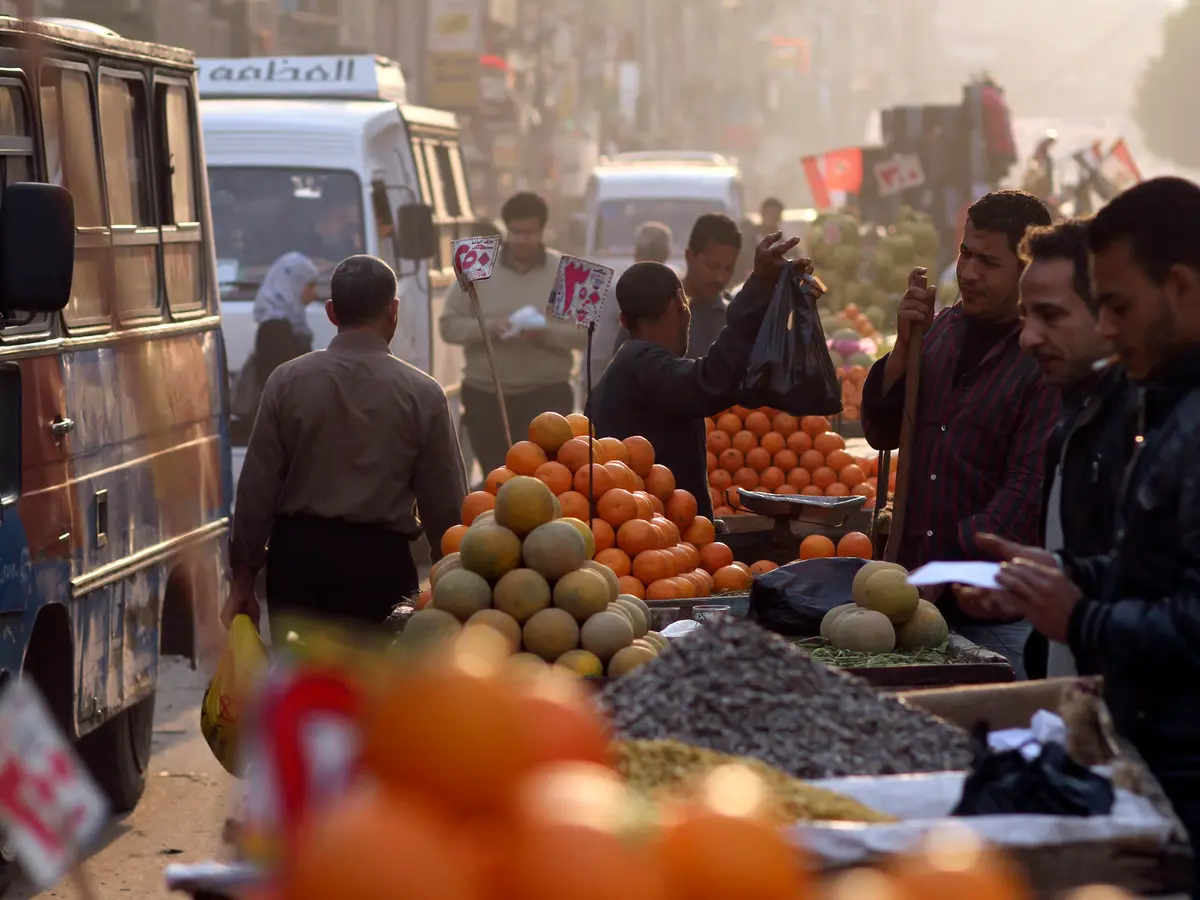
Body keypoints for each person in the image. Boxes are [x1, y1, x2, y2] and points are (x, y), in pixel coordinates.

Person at [966, 178, 1200, 894]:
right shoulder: (1162, 408)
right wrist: (1070, 573)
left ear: (1183, 290)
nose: (1107, 329)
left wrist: (1082, 613)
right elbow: (1151, 572)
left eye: (1117, 307)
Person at [860, 190, 1060, 677]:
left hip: (995, 615)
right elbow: (881, 431)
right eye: (966, 254)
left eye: (989, 262)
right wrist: (905, 348)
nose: (969, 273)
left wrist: (945, 567)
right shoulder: (939, 332)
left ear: (1027, 269)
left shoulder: (1045, 361)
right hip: (911, 605)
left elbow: (1025, 491)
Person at [225, 255, 468, 631]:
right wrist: (454, 580)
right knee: (376, 685)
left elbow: (257, 489)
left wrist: (242, 579)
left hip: (299, 566)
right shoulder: (423, 393)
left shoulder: (286, 381)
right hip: (380, 567)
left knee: (304, 684)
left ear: (331, 312)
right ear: (394, 311)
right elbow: (446, 502)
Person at [960, 218, 1134, 679]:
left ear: (1110, 312)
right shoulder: (1074, 421)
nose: (1028, 337)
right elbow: (1125, 570)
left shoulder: (1152, 427)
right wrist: (1053, 572)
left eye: (1051, 316)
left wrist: (1081, 615)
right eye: (1026, 316)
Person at [589, 231, 803, 521]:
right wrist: (759, 286)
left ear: (624, 321)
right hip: (652, 546)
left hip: (652, 538)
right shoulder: (642, 364)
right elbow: (710, 381)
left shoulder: (626, 365)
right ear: (681, 302)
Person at [439, 192, 586, 476]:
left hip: (548, 397)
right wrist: (489, 327)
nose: (522, 240)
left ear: (543, 230)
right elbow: (448, 326)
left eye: (529, 233)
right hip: (487, 396)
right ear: (506, 230)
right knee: (498, 478)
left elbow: (584, 336)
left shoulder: (567, 270)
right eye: (516, 233)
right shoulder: (475, 262)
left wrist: (544, 332)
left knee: (549, 478)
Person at [613, 213, 743, 363]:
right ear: (689, 256)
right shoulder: (650, 306)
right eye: (713, 266)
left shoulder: (731, 320)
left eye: (728, 268)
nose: (721, 277)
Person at [588, 221, 672, 387]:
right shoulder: (676, 291)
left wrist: (591, 392)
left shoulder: (615, 290)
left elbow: (599, 350)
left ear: (637, 253)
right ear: (667, 255)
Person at [737, 197, 784, 280]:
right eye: (769, 214)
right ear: (762, 214)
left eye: (775, 215)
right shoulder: (747, 243)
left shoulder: (785, 247)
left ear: (779, 217)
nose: (772, 218)